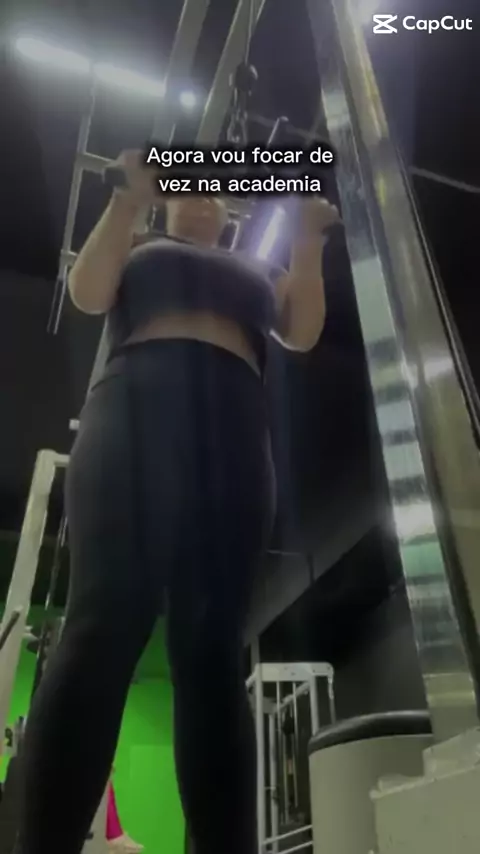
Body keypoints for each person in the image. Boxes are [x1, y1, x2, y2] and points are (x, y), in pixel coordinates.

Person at [14, 150, 339, 854]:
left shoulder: (257, 270)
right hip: (136, 406)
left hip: (234, 424)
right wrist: (126, 197)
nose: (199, 198)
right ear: (165, 205)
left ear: (227, 215)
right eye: (184, 189)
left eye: (211, 193)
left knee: (213, 648)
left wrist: (309, 235)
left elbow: (303, 330)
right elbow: (87, 292)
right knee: (103, 623)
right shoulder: (138, 246)